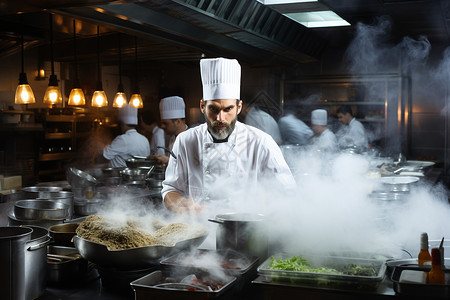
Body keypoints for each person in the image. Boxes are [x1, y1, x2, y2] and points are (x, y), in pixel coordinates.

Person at [162, 57, 296, 213]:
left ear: (239, 107)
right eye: (213, 109)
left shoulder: (261, 143)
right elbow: (170, 188)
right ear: (202, 106)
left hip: (246, 233)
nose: (220, 118)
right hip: (200, 230)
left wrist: (267, 207)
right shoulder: (186, 140)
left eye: (228, 109)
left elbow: (288, 194)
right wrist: (179, 203)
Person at [157, 96, 188, 164]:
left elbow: (192, 166)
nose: (162, 126)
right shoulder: (172, 138)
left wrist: (168, 161)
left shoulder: (191, 139)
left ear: (177, 122)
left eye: (165, 123)